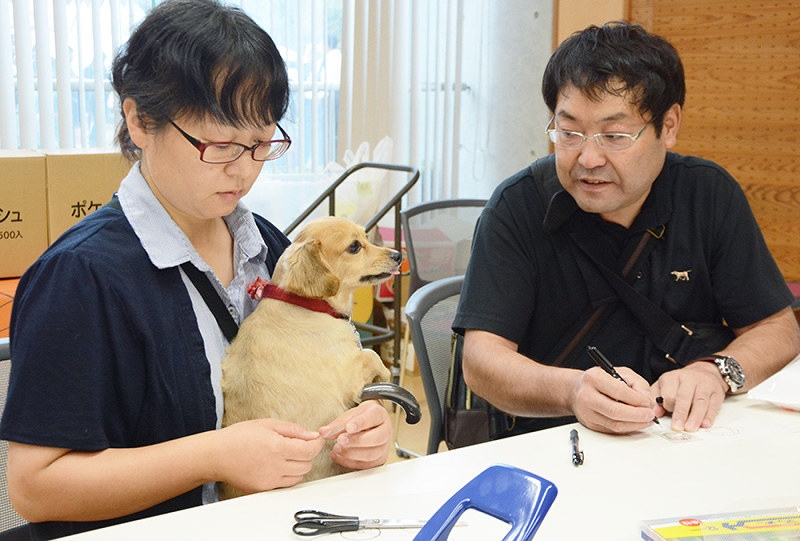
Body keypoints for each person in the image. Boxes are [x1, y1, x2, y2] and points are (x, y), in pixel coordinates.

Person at [0, 0, 392, 537]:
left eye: (260, 144)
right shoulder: (81, 276)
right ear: (139, 120)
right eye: (220, 143)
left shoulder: (273, 251)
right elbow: (35, 486)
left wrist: (363, 423)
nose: (243, 169)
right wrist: (214, 455)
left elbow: (325, 377)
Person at [453, 22, 800, 438]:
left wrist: (716, 372)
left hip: (692, 434)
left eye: (614, 135)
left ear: (668, 126)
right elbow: (480, 360)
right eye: (569, 133)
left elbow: (777, 328)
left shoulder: (707, 192)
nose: (589, 158)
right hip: (559, 441)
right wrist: (573, 390)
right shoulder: (517, 206)